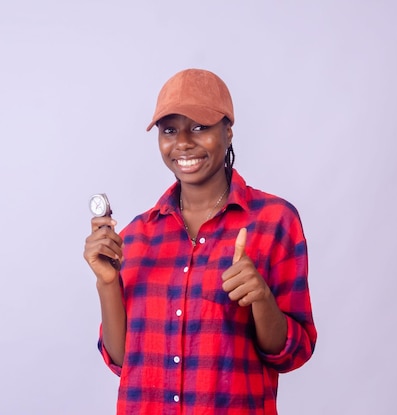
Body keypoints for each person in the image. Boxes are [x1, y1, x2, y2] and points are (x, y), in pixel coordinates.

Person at [83, 68, 317, 414]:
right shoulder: (135, 236)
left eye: (199, 127)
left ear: (228, 131)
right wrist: (107, 283)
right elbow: (122, 361)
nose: (183, 143)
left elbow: (292, 353)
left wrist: (261, 298)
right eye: (170, 130)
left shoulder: (273, 222)